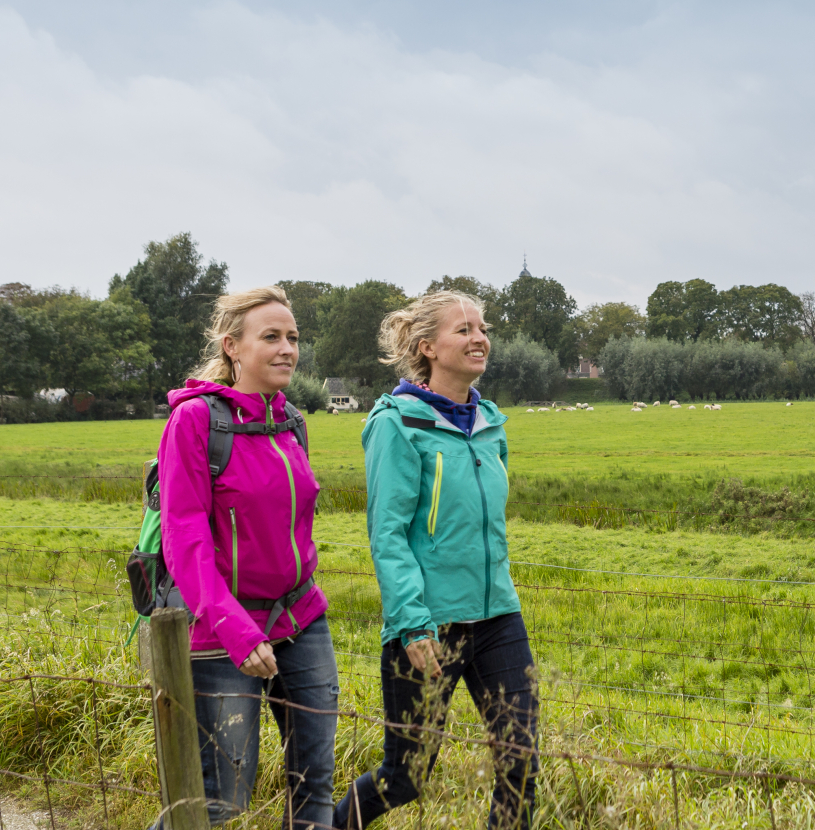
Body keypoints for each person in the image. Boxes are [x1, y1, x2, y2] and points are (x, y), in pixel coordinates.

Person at [335, 290, 535, 830]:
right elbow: (388, 533)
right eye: (464, 329)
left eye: (483, 328)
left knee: (521, 762)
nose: (480, 338)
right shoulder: (398, 423)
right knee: (407, 776)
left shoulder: (491, 424)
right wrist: (411, 621)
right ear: (427, 347)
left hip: (498, 616)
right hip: (428, 625)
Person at [157, 286, 336, 830]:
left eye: (293, 338)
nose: (287, 349)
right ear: (233, 346)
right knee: (222, 799)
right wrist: (236, 630)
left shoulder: (292, 422)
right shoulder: (195, 423)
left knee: (315, 786)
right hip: (224, 634)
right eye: (272, 337)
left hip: (301, 621)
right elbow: (184, 539)